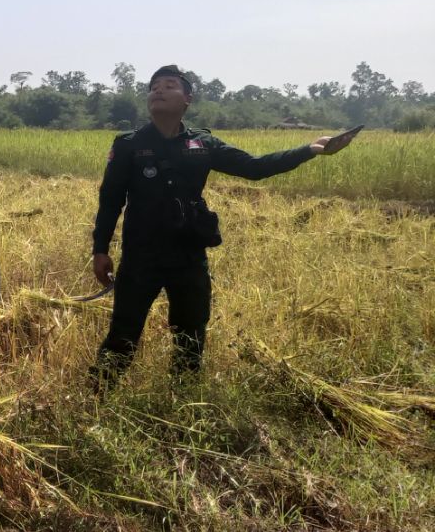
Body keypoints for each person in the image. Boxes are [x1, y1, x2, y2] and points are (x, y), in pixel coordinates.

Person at [88, 65, 357, 393]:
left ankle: (185, 404)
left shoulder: (203, 144)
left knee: (190, 336)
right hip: (140, 259)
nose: (158, 90)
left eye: (169, 86)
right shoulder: (129, 145)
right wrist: (100, 249)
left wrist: (310, 150)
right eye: (154, 86)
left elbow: (254, 168)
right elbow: (111, 200)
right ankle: (97, 396)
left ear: (187, 99)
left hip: (188, 257)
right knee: (123, 334)